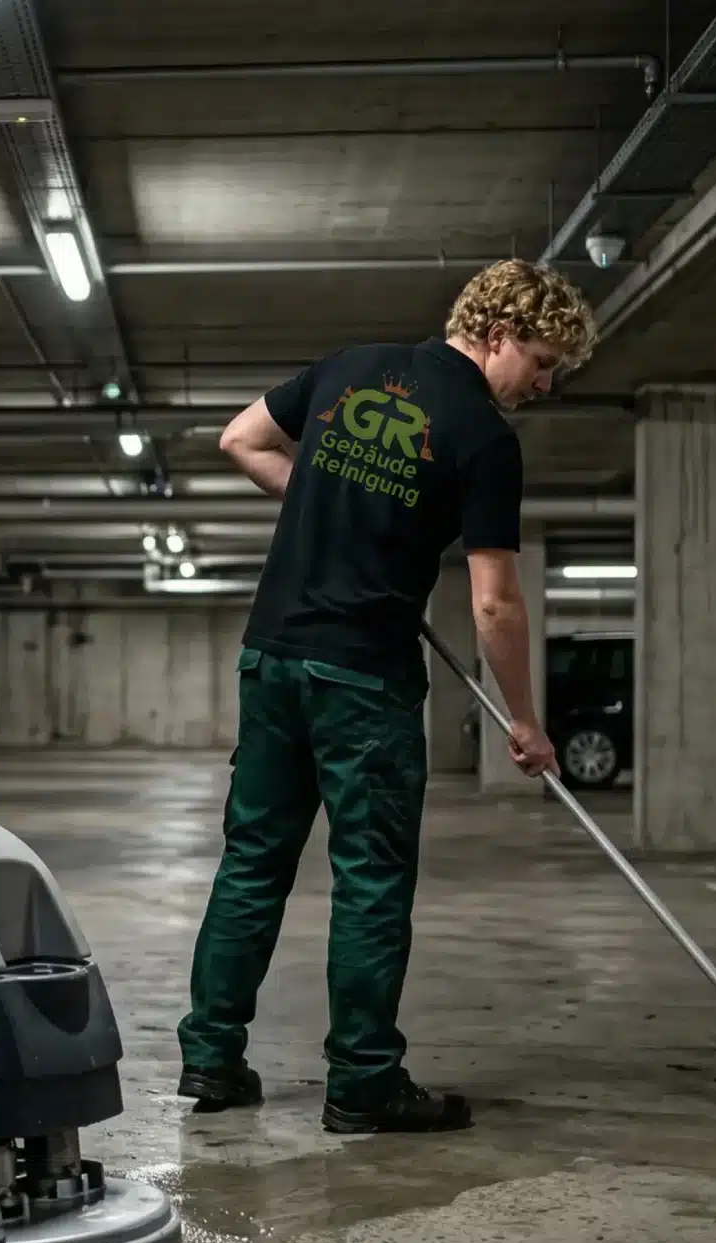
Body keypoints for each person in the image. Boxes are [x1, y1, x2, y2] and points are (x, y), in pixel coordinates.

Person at [173, 258, 596, 1134]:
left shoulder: (349, 366)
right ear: (499, 335)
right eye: (543, 362)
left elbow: (241, 440)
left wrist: (335, 500)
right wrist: (525, 720)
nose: (544, 384)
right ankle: (363, 1082)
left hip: (272, 659)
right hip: (362, 679)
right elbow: (494, 603)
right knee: (369, 881)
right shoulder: (483, 436)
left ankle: (211, 1058)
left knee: (253, 862)